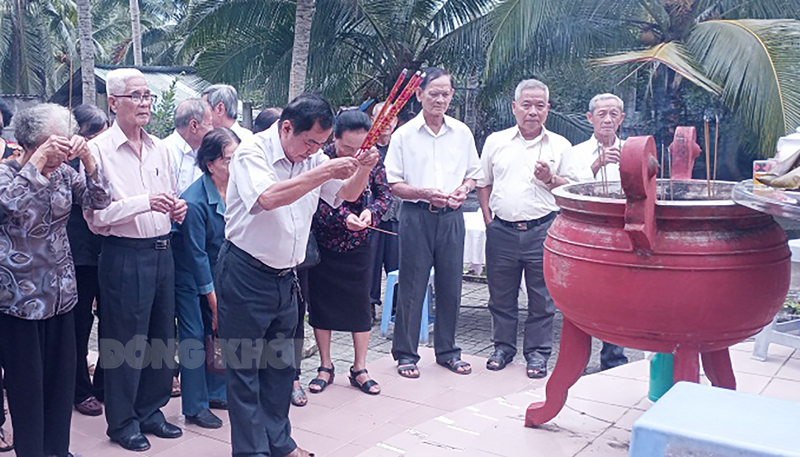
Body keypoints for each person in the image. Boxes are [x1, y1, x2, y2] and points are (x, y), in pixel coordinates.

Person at [218, 93, 377, 457]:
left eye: (321, 145)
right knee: (244, 371)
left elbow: (344, 195)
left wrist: (363, 167)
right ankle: (251, 452)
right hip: (245, 273)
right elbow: (269, 198)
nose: (313, 151)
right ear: (286, 127)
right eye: (309, 142)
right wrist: (324, 169)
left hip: (285, 277)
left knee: (280, 369)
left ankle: (280, 444)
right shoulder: (251, 152)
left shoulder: (313, 156)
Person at [84, 68, 188, 452]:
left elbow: (171, 195)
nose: (145, 102)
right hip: (124, 255)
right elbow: (95, 217)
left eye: (148, 95)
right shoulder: (97, 151)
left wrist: (177, 209)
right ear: (113, 103)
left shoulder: (160, 147)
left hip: (163, 251)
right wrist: (143, 203)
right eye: (136, 96)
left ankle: (151, 410)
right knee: (125, 342)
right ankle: (122, 421)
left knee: (162, 335)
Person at [0, 103, 111, 457]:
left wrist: (89, 160)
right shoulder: (7, 174)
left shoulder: (65, 175)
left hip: (61, 295)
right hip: (19, 299)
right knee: (27, 387)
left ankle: (57, 450)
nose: (60, 151)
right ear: (30, 142)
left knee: (61, 383)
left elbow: (100, 200)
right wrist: (36, 164)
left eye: (65, 142)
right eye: (53, 143)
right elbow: (11, 205)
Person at [385, 67, 483, 378]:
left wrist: (463, 190)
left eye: (445, 93)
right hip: (416, 216)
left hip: (453, 216)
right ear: (419, 95)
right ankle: (406, 354)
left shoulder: (462, 132)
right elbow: (393, 184)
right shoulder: (404, 135)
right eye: (433, 93)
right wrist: (424, 193)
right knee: (413, 285)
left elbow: (473, 173)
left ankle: (448, 351)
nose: (439, 99)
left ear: (452, 96)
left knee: (452, 285)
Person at [477, 78, 577, 379]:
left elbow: (572, 188)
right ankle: (503, 348)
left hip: (543, 229)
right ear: (514, 107)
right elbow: (484, 182)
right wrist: (488, 219)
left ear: (548, 109)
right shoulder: (496, 141)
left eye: (539, 105)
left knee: (542, 297)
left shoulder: (560, 145)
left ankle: (537, 354)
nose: (532, 111)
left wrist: (550, 178)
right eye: (526, 104)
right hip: (502, 230)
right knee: (500, 295)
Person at [307, 110, 390, 396]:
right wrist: (343, 218)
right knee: (321, 304)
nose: (355, 155)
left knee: (360, 303)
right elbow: (317, 200)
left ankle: (360, 367)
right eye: (348, 149)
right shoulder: (322, 159)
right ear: (335, 138)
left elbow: (384, 195)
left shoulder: (372, 159)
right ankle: (325, 365)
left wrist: (370, 213)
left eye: (361, 148)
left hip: (361, 242)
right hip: (326, 242)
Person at [173, 128, 239, 429]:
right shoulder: (195, 201)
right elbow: (196, 255)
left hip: (220, 274)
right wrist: (213, 300)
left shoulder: (236, 189)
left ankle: (216, 392)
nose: (234, 165)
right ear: (211, 163)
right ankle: (194, 406)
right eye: (228, 160)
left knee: (218, 334)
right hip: (189, 278)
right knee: (194, 336)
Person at [561, 93, 629, 371]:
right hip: (586, 237)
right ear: (590, 118)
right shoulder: (574, 153)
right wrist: (597, 165)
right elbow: (568, 191)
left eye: (614, 113)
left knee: (618, 299)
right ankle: (577, 360)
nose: (608, 119)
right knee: (584, 298)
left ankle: (614, 359)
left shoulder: (632, 150)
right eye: (601, 114)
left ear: (622, 119)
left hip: (623, 235)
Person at [68, 104, 110, 417]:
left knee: (112, 322)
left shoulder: (105, 159)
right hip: (78, 257)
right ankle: (79, 389)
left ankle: (105, 385)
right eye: (92, 134)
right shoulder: (65, 167)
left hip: (110, 251)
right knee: (80, 326)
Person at [368, 102, 400, 320]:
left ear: (396, 122)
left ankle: (396, 308)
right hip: (372, 213)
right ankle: (367, 305)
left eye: (390, 119)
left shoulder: (402, 144)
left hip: (398, 213)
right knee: (369, 262)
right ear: (373, 121)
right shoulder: (367, 147)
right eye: (381, 119)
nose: (386, 124)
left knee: (397, 262)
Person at [163, 98, 215, 195]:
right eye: (210, 124)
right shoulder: (165, 152)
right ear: (194, 126)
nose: (213, 129)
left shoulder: (203, 150)